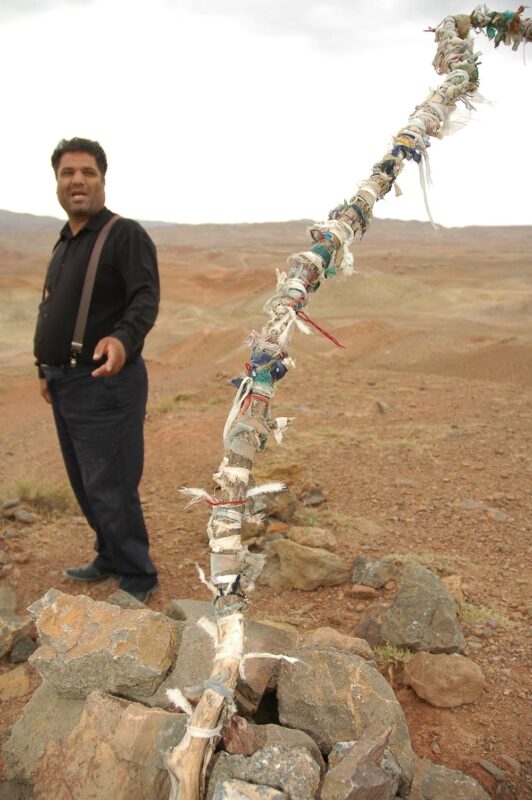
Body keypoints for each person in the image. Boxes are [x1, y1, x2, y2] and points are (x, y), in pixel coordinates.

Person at [34, 137, 159, 602]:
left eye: (87, 172)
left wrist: (122, 340)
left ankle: (137, 576)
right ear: (57, 183)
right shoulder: (66, 241)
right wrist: (42, 367)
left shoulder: (125, 235)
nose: (77, 181)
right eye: (68, 173)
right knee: (86, 483)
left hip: (105, 382)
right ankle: (109, 555)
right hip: (64, 382)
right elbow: (52, 309)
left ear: (103, 180)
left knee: (112, 482)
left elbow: (145, 299)